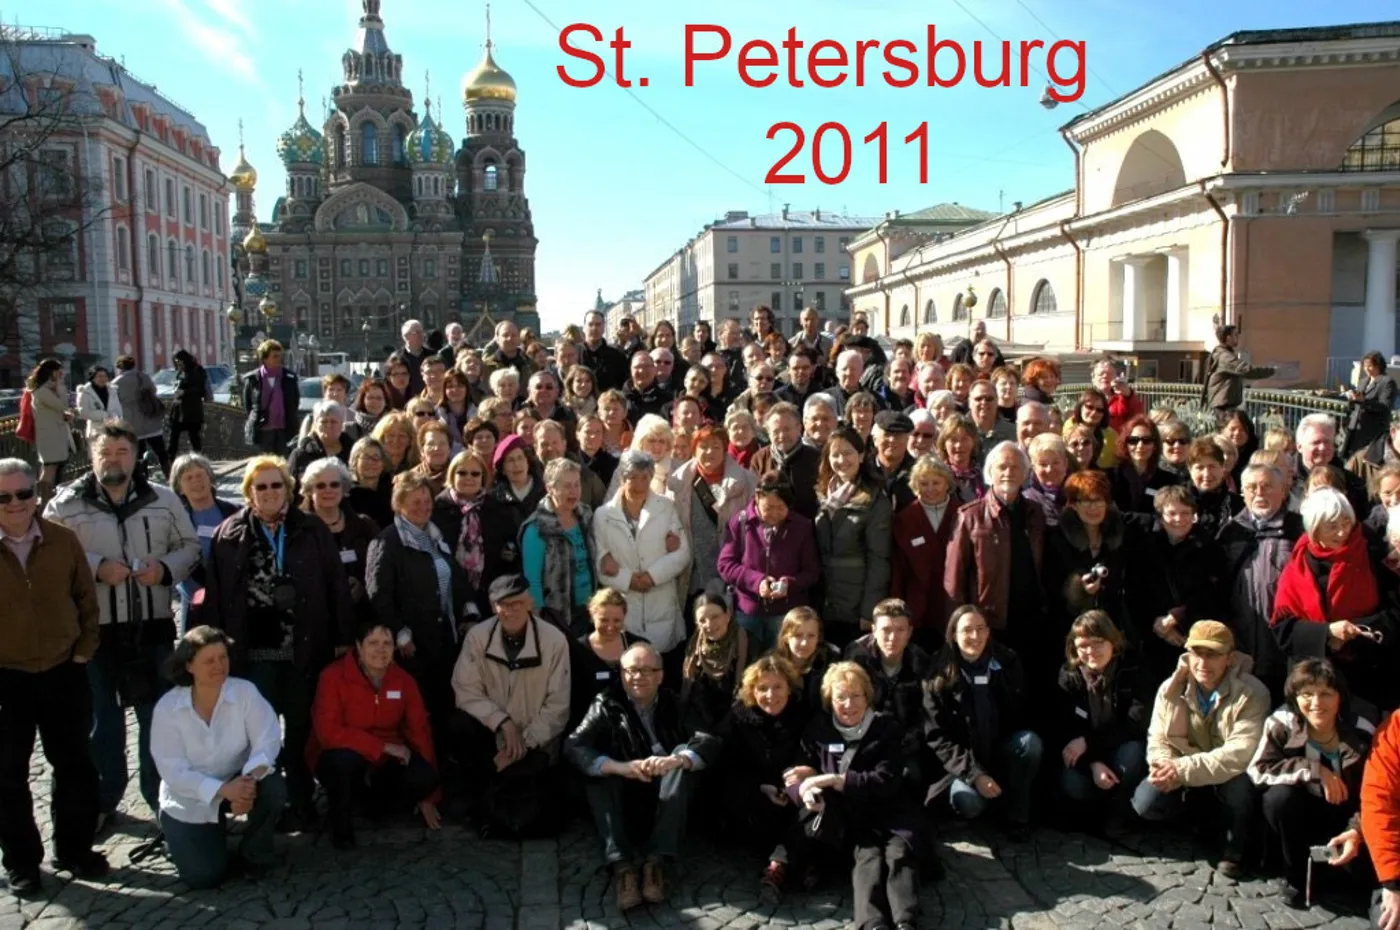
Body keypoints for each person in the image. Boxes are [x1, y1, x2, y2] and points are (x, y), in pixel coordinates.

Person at [44, 421, 200, 828]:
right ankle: (103, 798)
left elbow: (190, 547)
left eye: (122, 452)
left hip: (151, 625)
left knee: (158, 718)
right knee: (102, 721)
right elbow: (48, 554)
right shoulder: (65, 505)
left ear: (134, 456)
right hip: (93, 630)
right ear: (92, 457)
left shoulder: (163, 500)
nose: (113, 460)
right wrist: (96, 567)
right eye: (105, 453)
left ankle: (161, 798)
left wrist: (164, 568)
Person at [202, 455, 354, 828]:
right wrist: (215, 649)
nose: (269, 492)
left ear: (288, 488)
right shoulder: (229, 534)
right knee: (259, 734)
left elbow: (335, 584)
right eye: (261, 486)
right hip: (254, 651)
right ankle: (265, 805)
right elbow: (216, 597)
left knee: (300, 728)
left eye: (276, 485)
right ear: (249, 492)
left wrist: (342, 637)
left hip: (303, 645)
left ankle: (301, 800)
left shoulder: (312, 528)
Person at [0, 458, 106, 892]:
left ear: (36, 494)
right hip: (7, 677)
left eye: (24, 493)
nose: (15, 503)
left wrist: (84, 650)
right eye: (4, 496)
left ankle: (75, 850)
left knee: (76, 765)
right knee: (7, 774)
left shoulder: (62, 540)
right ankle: (22, 862)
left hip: (64, 670)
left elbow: (86, 598)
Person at [566, 642, 716, 910]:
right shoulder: (606, 703)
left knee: (682, 756)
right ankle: (622, 867)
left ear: (660, 676)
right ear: (622, 674)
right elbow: (574, 745)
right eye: (631, 670)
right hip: (626, 792)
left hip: (668, 796)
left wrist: (676, 760)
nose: (638, 677)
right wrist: (619, 767)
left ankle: (656, 864)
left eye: (647, 670)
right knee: (599, 771)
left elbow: (707, 739)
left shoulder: (676, 702)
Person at [785, 662, 921, 930]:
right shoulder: (819, 728)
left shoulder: (886, 728)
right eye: (841, 697)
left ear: (867, 697)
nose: (849, 704)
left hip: (889, 812)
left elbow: (886, 779)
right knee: (868, 856)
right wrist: (804, 792)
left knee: (899, 853)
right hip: (851, 818)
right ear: (830, 700)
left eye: (856, 695)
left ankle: (906, 921)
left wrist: (839, 780)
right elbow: (796, 775)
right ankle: (872, 924)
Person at [150, 626, 286, 889]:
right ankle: (186, 839)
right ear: (189, 665)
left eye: (223, 657)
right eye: (209, 660)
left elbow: (267, 739)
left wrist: (247, 785)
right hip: (190, 796)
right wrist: (224, 791)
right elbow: (173, 770)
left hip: (239, 777)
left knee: (274, 788)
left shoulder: (245, 692)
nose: (219, 666)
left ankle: (255, 852)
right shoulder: (168, 708)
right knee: (205, 876)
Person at [1132, 620, 1270, 879]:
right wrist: (1163, 765)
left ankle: (1236, 845)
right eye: (1197, 654)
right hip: (1184, 766)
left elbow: (1240, 753)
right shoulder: (1171, 687)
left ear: (1229, 658)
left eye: (1213, 654)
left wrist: (1181, 769)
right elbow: (1158, 736)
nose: (1203, 663)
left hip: (1228, 772)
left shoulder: (1253, 693)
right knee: (1146, 803)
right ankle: (1196, 820)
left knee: (1240, 787)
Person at [451, 575, 571, 837]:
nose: (511, 610)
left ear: (530, 603)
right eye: (504, 604)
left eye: (518, 603)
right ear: (493, 607)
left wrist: (522, 743)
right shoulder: (477, 637)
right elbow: (465, 690)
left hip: (536, 741)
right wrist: (502, 722)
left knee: (527, 795)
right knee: (458, 725)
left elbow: (558, 706)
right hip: (491, 735)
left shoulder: (554, 640)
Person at [1248, 658, 1372, 906]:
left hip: (1350, 813)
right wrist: (1315, 771)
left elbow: (1377, 793)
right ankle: (1294, 875)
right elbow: (1259, 770)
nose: (1316, 703)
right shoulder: (1282, 724)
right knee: (1278, 798)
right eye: (1307, 694)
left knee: (1358, 882)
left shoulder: (1362, 732)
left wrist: (1356, 829)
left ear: (1340, 697)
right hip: (1301, 811)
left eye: (1326, 694)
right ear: (1295, 698)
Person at [307, 620, 441, 849]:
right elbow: (328, 733)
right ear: (359, 646)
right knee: (342, 761)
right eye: (373, 643)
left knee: (425, 777)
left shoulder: (404, 681)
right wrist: (382, 746)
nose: (381, 649)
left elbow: (420, 731)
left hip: (385, 762)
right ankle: (341, 827)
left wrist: (429, 796)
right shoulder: (332, 676)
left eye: (387, 643)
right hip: (342, 754)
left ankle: (375, 806)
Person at [365, 471, 471, 751]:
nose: (423, 507)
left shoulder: (436, 536)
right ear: (400, 505)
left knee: (444, 707)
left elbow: (455, 577)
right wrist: (400, 634)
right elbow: (378, 594)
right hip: (411, 646)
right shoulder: (387, 542)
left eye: (427, 501)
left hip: (443, 637)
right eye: (415, 502)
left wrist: (468, 611)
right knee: (418, 713)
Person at [924, 605, 1041, 838]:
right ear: (953, 635)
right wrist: (975, 774)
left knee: (1030, 743)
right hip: (960, 764)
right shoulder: (938, 673)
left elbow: (1021, 712)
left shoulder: (1007, 662)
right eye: (967, 630)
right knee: (970, 803)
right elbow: (938, 738)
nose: (975, 636)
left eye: (980, 629)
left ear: (988, 632)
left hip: (999, 753)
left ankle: (1015, 816)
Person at [712, 655, 807, 900]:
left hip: (793, 791)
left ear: (789, 688)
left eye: (777, 687)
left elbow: (809, 756)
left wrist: (795, 778)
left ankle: (780, 864)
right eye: (762, 688)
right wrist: (760, 786)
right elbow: (726, 767)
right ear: (752, 691)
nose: (770, 695)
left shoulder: (803, 715)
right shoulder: (739, 716)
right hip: (755, 795)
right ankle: (788, 864)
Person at [944, 441, 1047, 662]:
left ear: (1025, 473)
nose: (1008, 472)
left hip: (1032, 620)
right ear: (990, 472)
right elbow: (954, 578)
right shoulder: (970, 516)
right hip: (989, 624)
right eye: (1002, 467)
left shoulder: (1035, 513)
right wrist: (959, 624)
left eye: (1015, 467)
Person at [594, 451, 691, 660]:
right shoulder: (603, 516)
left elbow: (682, 554)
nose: (639, 484)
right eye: (632, 477)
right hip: (625, 610)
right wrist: (628, 580)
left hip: (661, 606)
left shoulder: (666, 507)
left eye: (645, 477)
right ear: (622, 478)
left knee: (661, 665)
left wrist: (651, 577)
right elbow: (600, 564)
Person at [1054, 611, 1147, 824]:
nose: (1090, 652)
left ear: (1113, 642)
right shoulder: (1069, 676)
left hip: (1120, 747)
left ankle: (1120, 811)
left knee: (1132, 754)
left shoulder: (1133, 669)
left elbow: (1136, 724)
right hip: (1087, 757)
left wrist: (1089, 742)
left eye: (1098, 643)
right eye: (1083, 646)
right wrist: (1093, 762)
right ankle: (1093, 814)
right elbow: (1063, 728)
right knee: (1071, 782)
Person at [717, 471, 820, 652]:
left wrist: (789, 584)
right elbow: (725, 564)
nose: (775, 513)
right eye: (769, 507)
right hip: (748, 611)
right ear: (757, 497)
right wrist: (757, 582)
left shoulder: (801, 526)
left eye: (781, 507)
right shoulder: (740, 522)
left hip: (786, 614)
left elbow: (811, 572)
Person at [813, 426, 892, 648]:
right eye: (835, 454)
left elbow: (879, 559)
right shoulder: (822, 495)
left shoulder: (875, 500)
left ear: (861, 455)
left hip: (855, 605)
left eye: (848, 453)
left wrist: (869, 610)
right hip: (824, 601)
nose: (842, 460)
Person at [432, 449, 521, 622]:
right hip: (446, 595)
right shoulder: (438, 508)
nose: (469, 478)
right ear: (452, 475)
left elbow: (509, 552)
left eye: (475, 473)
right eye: (462, 473)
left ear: (483, 477)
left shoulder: (496, 509)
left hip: (488, 595)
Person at [519, 458, 596, 633]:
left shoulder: (586, 515)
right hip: (557, 617)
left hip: (591, 609)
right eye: (567, 486)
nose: (574, 491)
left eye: (577, 484)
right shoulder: (537, 527)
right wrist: (539, 620)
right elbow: (532, 580)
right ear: (550, 488)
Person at [112, 356, 170, 479]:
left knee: (138, 454)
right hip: (151, 420)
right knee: (161, 452)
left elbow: (114, 403)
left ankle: (143, 479)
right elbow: (154, 390)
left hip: (132, 424)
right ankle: (170, 475)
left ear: (119, 368)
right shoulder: (143, 376)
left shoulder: (116, 383)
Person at [25, 358, 75, 500]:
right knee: (50, 467)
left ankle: (50, 496)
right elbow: (62, 405)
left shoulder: (46, 390)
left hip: (54, 434)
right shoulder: (42, 391)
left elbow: (55, 411)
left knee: (54, 466)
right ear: (51, 372)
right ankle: (45, 499)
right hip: (50, 436)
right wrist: (60, 386)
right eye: (58, 371)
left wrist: (64, 416)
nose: (61, 373)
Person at [1203, 325, 1275, 422]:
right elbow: (1246, 370)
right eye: (1236, 335)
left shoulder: (1223, 354)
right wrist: (1271, 371)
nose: (1238, 338)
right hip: (1223, 406)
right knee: (1233, 429)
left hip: (1224, 404)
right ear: (1228, 338)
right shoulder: (1225, 357)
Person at [240, 340, 299, 454]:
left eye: (280, 356)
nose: (279, 359)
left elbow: (295, 401)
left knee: (283, 461)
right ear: (265, 358)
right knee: (265, 461)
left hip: (284, 429)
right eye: (275, 356)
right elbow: (248, 405)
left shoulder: (289, 378)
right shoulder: (253, 379)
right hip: (263, 431)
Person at [168, 349, 210, 457]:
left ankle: (198, 459)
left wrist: (185, 392)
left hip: (192, 410)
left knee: (194, 438)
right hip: (178, 410)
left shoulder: (196, 371)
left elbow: (200, 389)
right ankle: (170, 461)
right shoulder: (181, 372)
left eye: (179, 362)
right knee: (173, 437)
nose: (178, 364)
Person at [75, 365, 121, 444]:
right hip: (96, 431)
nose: (103, 379)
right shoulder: (85, 392)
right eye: (99, 376)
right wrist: (103, 415)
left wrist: (116, 417)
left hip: (112, 430)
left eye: (105, 376)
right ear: (92, 377)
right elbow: (83, 413)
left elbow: (118, 409)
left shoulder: (112, 389)